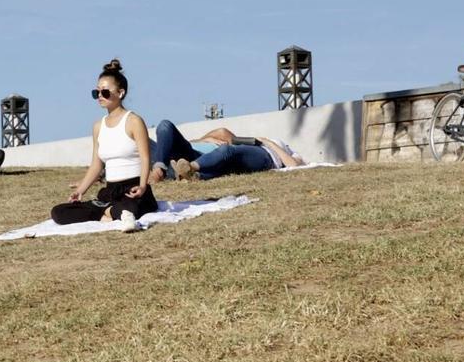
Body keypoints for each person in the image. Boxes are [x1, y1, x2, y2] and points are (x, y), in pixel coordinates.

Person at [49, 59, 157, 232]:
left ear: (120, 93)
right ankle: (108, 214)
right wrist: (81, 190)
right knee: (59, 212)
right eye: (96, 92)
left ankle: (113, 214)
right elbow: (97, 164)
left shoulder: (134, 121)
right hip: (111, 192)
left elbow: (146, 158)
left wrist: (143, 185)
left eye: (105, 92)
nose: (100, 96)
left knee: (131, 208)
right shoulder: (98, 126)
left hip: (133, 188)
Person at [173, 133, 304, 181]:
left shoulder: (291, 152)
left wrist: (269, 143)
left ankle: (191, 167)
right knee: (226, 166)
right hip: (256, 150)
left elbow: (293, 165)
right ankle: (196, 176)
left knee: (226, 150)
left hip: (266, 156)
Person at [146, 120, 236, 185]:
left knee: (164, 125)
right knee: (163, 126)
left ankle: (162, 170)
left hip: (195, 157)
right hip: (168, 156)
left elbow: (223, 132)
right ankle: (162, 168)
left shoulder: (226, 149)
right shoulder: (202, 140)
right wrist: (204, 139)